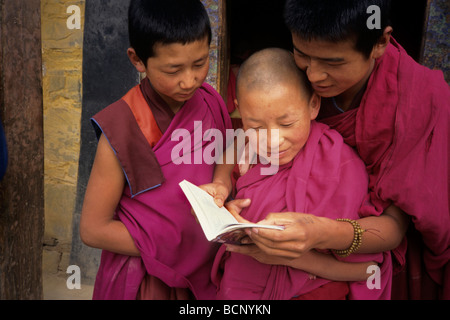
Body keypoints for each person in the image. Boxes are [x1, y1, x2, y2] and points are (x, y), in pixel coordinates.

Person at [210, 0, 449, 299]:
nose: (313, 76)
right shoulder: (284, 92)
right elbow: (242, 137)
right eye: (302, 55)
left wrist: (319, 234)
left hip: (340, 264)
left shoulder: (417, 103)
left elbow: (392, 229)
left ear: (380, 42)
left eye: (333, 63)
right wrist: (222, 186)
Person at [209, 48, 392, 300]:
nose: (273, 141)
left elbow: (367, 270)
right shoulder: (246, 150)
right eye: (257, 126)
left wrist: (299, 259)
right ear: (241, 112)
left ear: (313, 105)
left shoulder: (339, 162)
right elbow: (234, 147)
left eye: (286, 124)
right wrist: (220, 187)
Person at [80, 0, 232, 300]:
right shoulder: (123, 127)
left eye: (200, 63)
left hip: (205, 269)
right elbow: (93, 229)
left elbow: (226, 153)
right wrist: (176, 241)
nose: (190, 80)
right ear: (138, 60)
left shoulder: (210, 100)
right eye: (173, 69)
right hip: (144, 277)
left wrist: (223, 183)